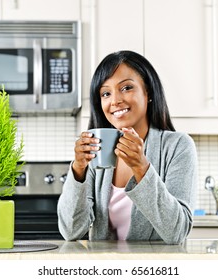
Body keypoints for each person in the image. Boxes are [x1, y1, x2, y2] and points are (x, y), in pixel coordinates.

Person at [57, 50, 198, 244]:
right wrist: (78, 170)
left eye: (126, 88)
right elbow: (70, 231)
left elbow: (177, 231)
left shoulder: (178, 147)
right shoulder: (97, 150)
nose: (115, 100)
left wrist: (142, 168)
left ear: (148, 92)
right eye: (106, 93)